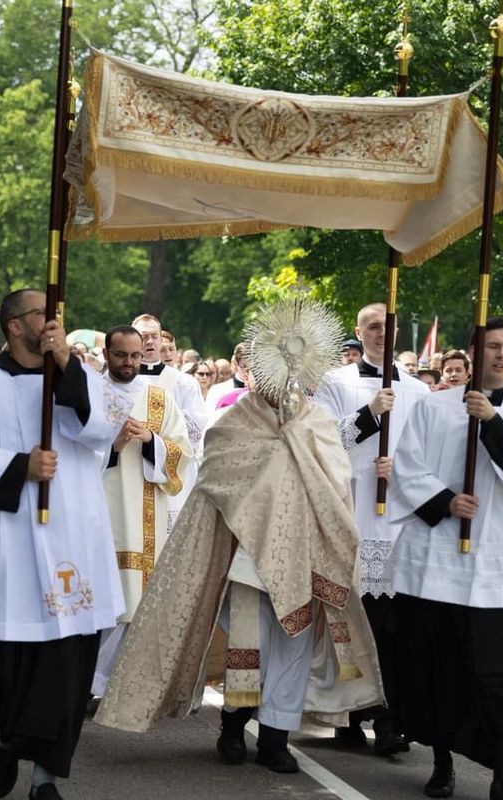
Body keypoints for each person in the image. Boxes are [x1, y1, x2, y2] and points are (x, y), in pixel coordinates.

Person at [96, 298, 383, 777]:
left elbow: (335, 484)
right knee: (250, 649)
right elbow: (216, 484)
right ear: (255, 372)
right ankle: (233, 725)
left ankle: (275, 739)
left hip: (307, 556)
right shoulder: (232, 426)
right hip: (248, 558)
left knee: (291, 652)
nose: (283, 383)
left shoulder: (316, 424)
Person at [0, 289, 128, 800]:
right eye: (44, 314)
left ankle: (44, 776)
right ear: (15, 326)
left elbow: (107, 427)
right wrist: (20, 465)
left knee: (68, 667)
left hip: (72, 539)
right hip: (10, 545)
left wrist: (66, 364)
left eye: (56, 314)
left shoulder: (74, 376)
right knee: (7, 667)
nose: (53, 321)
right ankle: (8, 740)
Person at [385, 317, 503, 800]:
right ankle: (441, 761)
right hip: (437, 554)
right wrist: (444, 501)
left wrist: (491, 422)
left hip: (497, 556)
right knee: (438, 663)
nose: (502, 355)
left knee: (500, 670)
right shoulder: (433, 408)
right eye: (493, 347)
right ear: (473, 351)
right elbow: (407, 467)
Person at [313, 302, 428, 754]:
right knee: (354, 620)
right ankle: (348, 713)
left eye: (389, 326)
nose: (382, 333)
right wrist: (367, 416)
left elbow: (427, 452)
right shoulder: (335, 382)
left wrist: (401, 470)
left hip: (401, 517)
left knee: (396, 626)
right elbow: (319, 442)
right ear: (359, 333)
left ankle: (389, 716)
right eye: (374, 327)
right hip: (354, 510)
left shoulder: (419, 390)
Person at [91, 326, 192, 697]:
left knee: (135, 601)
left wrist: (152, 441)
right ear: (107, 354)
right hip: (98, 512)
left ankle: (114, 685)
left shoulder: (158, 399)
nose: (129, 363)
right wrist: (112, 447)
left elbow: (184, 454)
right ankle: (92, 683)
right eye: (121, 355)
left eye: (135, 356)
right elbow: (71, 455)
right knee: (103, 601)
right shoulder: (90, 394)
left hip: (143, 517)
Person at [132, 315, 208, 526]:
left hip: (171, 469)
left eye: (154, 336)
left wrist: (157, 428)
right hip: (132, 465)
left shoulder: (184, 383)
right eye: (143, 336)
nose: (149, 342)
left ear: (160, 339)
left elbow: (196, 427)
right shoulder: (122, 380)